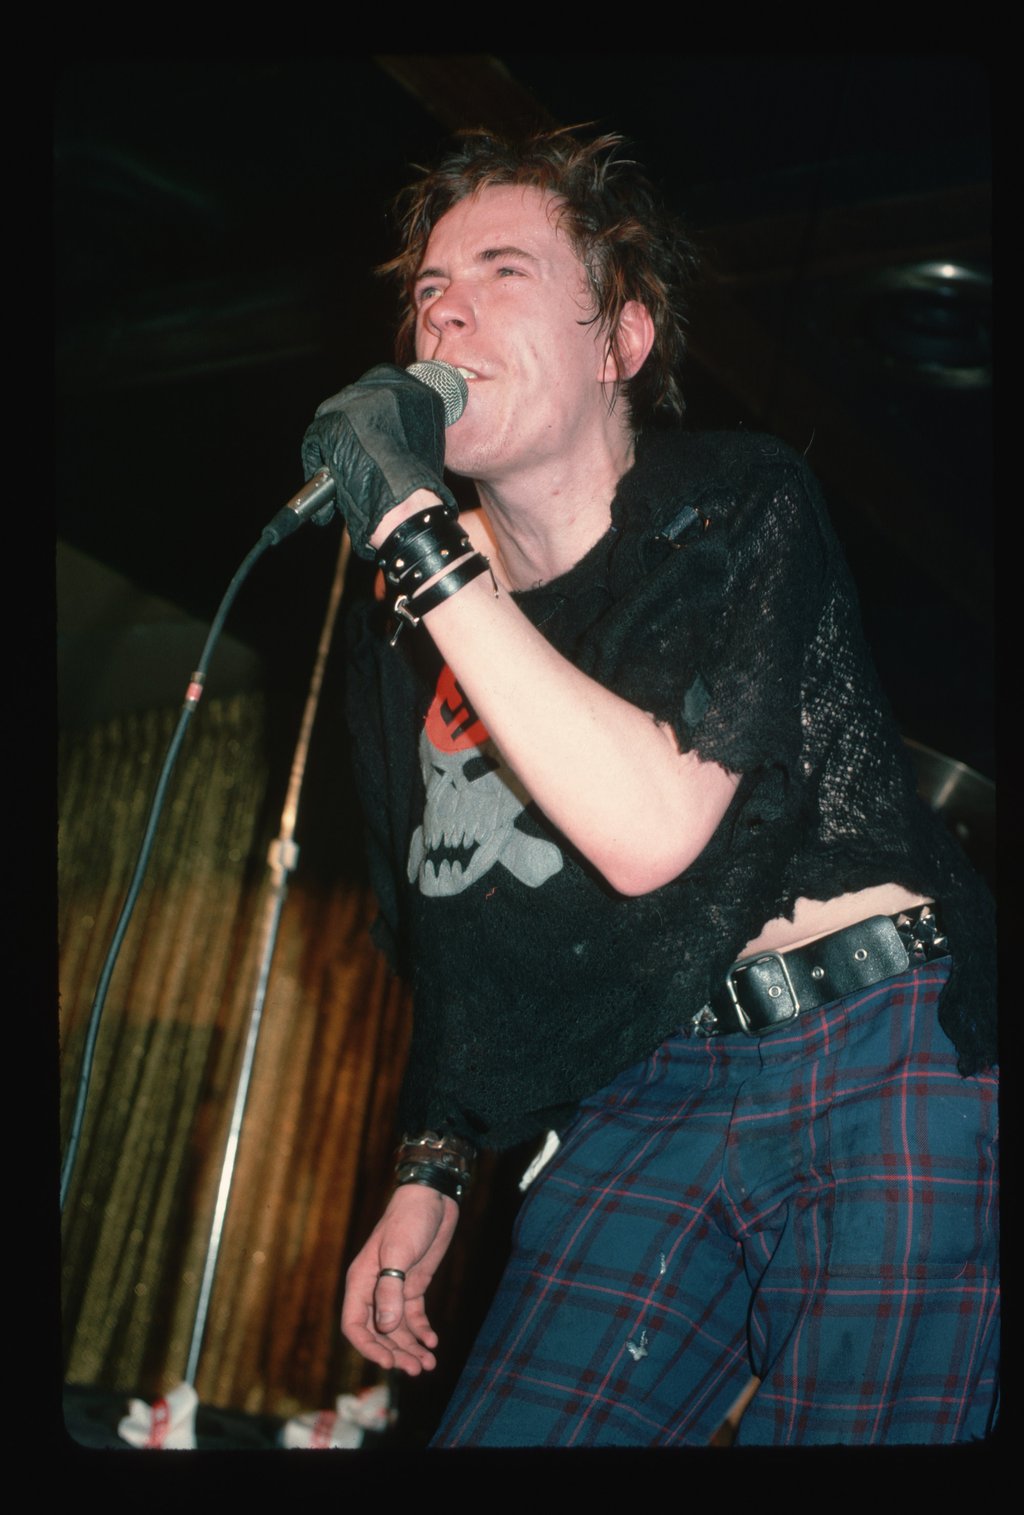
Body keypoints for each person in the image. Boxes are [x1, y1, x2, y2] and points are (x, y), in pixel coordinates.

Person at [300, 127, 998, 1447]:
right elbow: (461, 931)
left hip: (880, 1042)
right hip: (650, 1078)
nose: (442, 308)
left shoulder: (736, 499)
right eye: (426, 289)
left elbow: (653, 825)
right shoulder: (419, 632)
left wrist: (412, 534)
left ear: (619, 340)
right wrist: (435, 1165)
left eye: (499, 270)